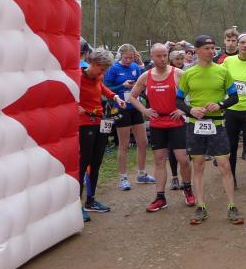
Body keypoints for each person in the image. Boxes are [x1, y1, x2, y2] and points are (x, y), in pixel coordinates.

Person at [177, 35, 242, 226]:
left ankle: (232, 207)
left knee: (225, 165)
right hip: (195, 125)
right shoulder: (188, 73)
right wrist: (190, 110)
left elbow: (234, 97)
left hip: (217, 124)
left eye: (213, 48)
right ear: (197, 50)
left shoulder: (222, 71)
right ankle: (201, 206)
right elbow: (178, 100)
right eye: (207, 48)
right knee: (198, 165)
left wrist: (220, 104)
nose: (211, 51)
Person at [127, 43, 194, 213]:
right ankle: (160, 197)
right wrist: (144, 111)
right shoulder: (146, 76)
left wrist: (183, 109)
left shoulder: (178, 73)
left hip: (176, 122)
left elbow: (195, 93)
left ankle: (187, 188)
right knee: (159, 160)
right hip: (157, 123)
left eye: (165, 55)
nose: (163, 59)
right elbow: (132, 97)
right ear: (152, 57)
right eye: (159, 56)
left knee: (183, 159)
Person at [78, 48, 126, 221]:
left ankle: (90, 200)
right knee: (83, 163)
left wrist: (115, 97)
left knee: (96, 162)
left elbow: (102, 88)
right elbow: (66, 94)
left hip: (100, 122)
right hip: (84, 124)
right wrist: (76, 106)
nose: (103, 73)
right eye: (102, 69)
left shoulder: (97, 77)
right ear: (94, 63)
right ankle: (77, 204)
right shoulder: (78, 77)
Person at [104, 43, 154, 190]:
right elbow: (106, 89)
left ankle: (142, 173)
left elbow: (142, 84)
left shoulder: (135, 67)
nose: (128, 60)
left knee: (143, 142)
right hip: (121, 108)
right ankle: (123, 177)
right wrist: (122, 86)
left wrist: (137, 87)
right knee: (124, 144)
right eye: (126, 58)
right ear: (121, 56)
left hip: (135, 107)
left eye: (131, 58)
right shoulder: (113, 68)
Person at [223, 33, 246, 188]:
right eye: (242, 42)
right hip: (231, 110)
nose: (244, 45)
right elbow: (220, 81)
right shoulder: (228, 61)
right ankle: (232, 179)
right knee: (231, 147)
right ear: (237, 45)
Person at [167, 50, 186, 189]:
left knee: (185, 148)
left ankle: (186, 177)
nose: (179, 61)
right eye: (176, 59)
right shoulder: (166, 72)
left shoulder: (186, 73)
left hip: (184, 114)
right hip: (170, 114)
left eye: (181, 59)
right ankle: (174, 177)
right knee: (172, 148)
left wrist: (184, 110)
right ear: (171, 60)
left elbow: (191, 94)